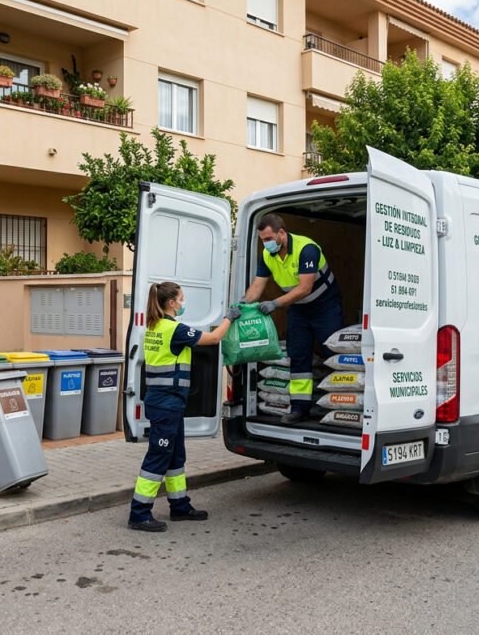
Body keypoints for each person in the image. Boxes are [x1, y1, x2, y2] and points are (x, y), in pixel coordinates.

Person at [129, 281, 240, 532]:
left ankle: (179, 506)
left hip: (167, 402)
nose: (183, 303)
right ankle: (139, 513)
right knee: (159, 456)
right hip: (166, 403)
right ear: (171, 303)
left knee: (176, 456)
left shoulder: (154, 326)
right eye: (181, 299)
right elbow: (212, 339)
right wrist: (229, 318)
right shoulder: (173, 329)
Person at [241, 213, 344, 424]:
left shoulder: (306, 249)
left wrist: (275, 304)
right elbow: (256, 288)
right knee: (298, 357)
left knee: (333, 354)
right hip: (298, 310)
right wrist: (240, 306)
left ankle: (338, 404)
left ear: (281, 233)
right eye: (263, 240)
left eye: (269, 239)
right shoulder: (268, 256)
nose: (266, 243)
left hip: (326, 307)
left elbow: (305, 288)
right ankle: (299, 409)